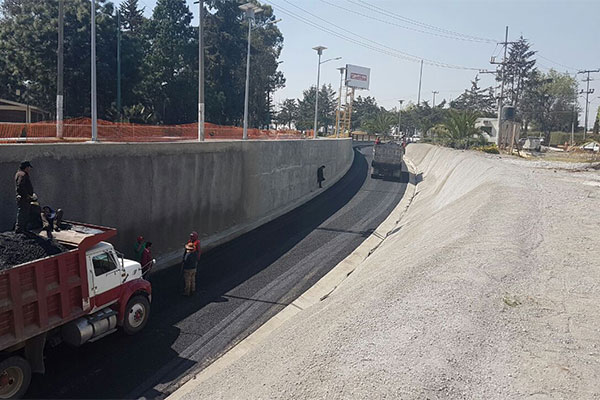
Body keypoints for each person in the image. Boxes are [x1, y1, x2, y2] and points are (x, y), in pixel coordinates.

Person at [15, 161, 36, 233]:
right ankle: (20, 228)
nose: (29, 169)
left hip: (24, 197)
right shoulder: (22, 174)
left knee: (25, 212)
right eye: (29, 167)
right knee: (23, 212)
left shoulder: (20, 174)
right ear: (26, 167)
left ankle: (23, 228)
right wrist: (27, 195)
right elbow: (20, 186)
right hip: (24, 198)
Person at [182, 232, 201, 296]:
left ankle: (187, 292)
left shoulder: (189, 254)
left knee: (188, 280)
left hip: (188, 268)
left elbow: (185, 260)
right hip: (194, 267)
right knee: (193, 279)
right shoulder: (194, 252)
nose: (191, 237)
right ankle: (193, 290)